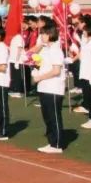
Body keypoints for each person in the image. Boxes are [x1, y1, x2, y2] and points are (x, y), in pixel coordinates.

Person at [32, 23, 66, 154]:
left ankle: (57, 144)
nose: (42, 36)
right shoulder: (46, 49)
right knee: (47, 116)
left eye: (44, 33)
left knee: (54, 115)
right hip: (44, 87)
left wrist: (40, 77)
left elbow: (56, 71)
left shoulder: (56, 50)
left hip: (53, 87)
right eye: (42, 33)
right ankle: (52, 141)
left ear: (51, 34)